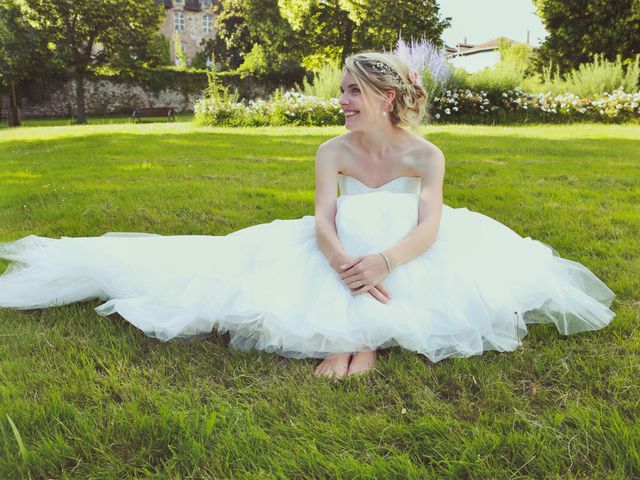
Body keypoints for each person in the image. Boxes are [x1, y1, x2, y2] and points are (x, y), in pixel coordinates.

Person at [0, 52, 615, 379]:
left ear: (386, 97)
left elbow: (429, 224)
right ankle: (351, 337)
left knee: (388, 249)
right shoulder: (332, 150)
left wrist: (383, 259)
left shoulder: (425, 154)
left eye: (351, 91)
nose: (340, 100)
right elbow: (323, 216)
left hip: (403, 246)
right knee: (328, 251)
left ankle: (361, 343)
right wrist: (342, 256)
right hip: (339, 242)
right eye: (341, 90)